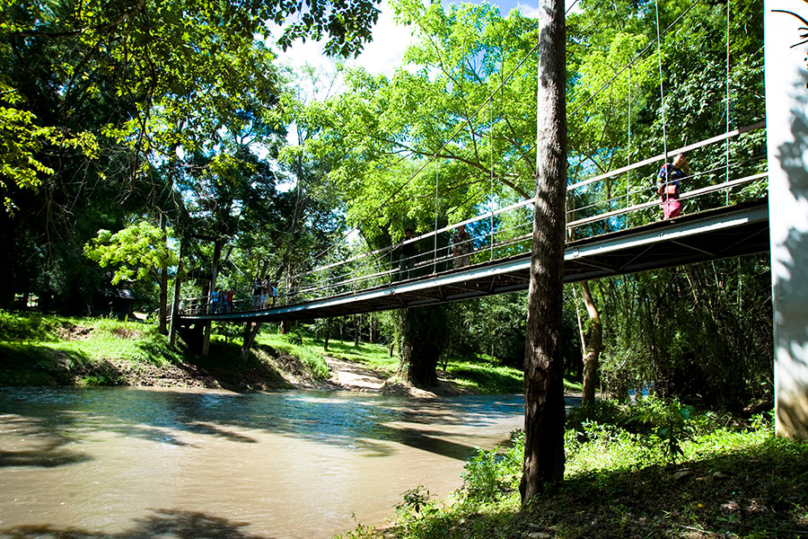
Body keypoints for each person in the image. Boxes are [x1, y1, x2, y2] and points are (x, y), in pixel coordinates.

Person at [657, 153, 688, 220]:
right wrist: (660, 186)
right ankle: (667, 219)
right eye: (680, 157)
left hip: (675, 193)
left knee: (675, 210)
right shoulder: (668, 166)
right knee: (675, 207)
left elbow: (688, 178)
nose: (681, 160)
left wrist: (686, 168)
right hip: (666, 192)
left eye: (683, 159)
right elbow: (660, 176)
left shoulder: (679, 171)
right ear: (674, 157)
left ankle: (669, 220)